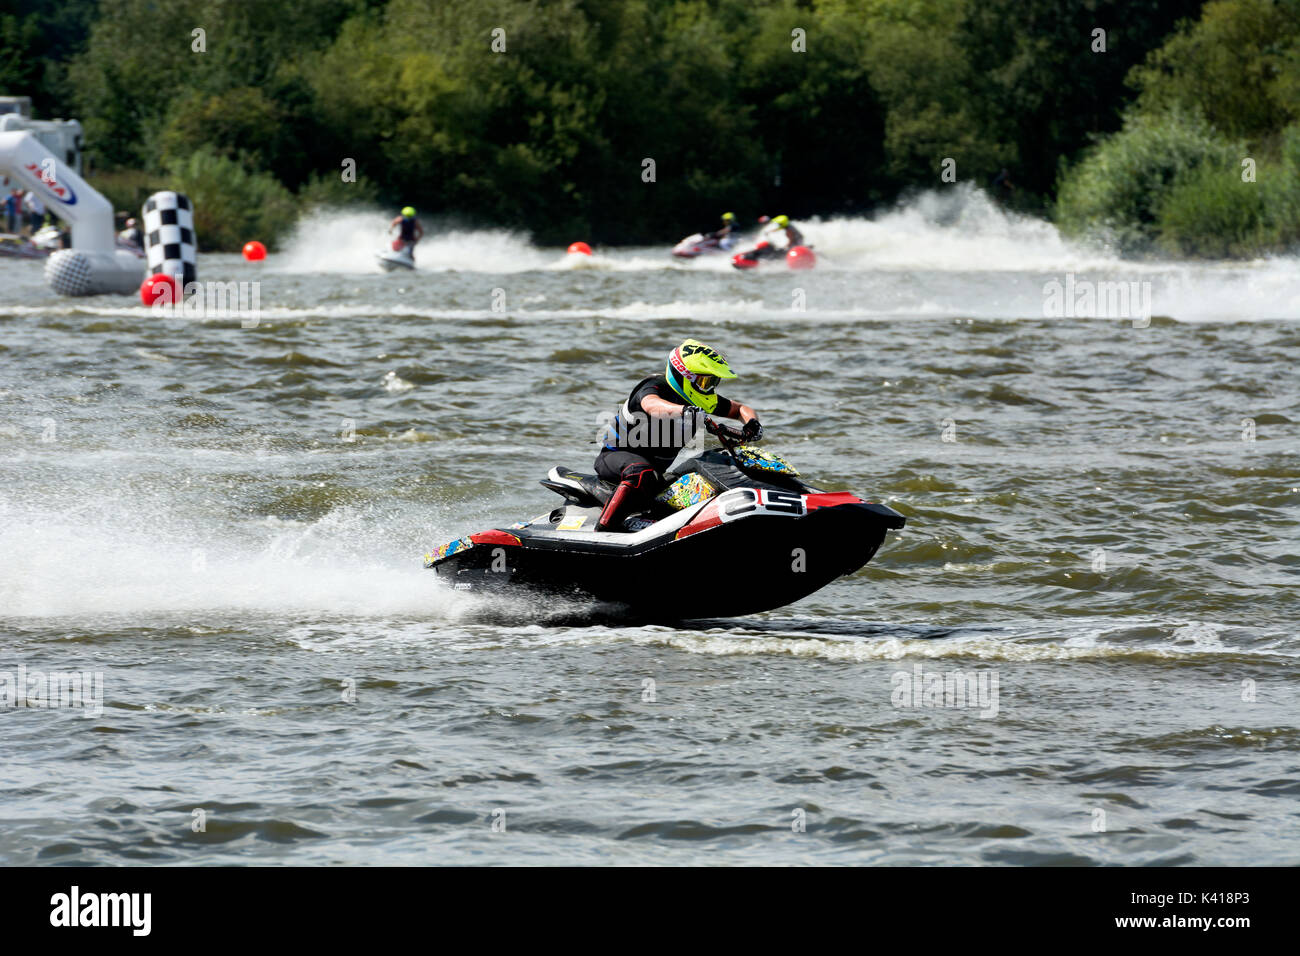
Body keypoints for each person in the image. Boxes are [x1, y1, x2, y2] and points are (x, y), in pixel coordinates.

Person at [594, 339, 762, 532]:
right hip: (614, 457)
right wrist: (684, 410)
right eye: (705, 381)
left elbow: (741, 409)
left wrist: (752, 423)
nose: (709, 388)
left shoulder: (701, 399)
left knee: (706, 472)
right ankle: (605, 529)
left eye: (713, 382)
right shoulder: (654, 386)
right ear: (685, 376)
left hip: (656, 472)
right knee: (641, 472)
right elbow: (651, 405)